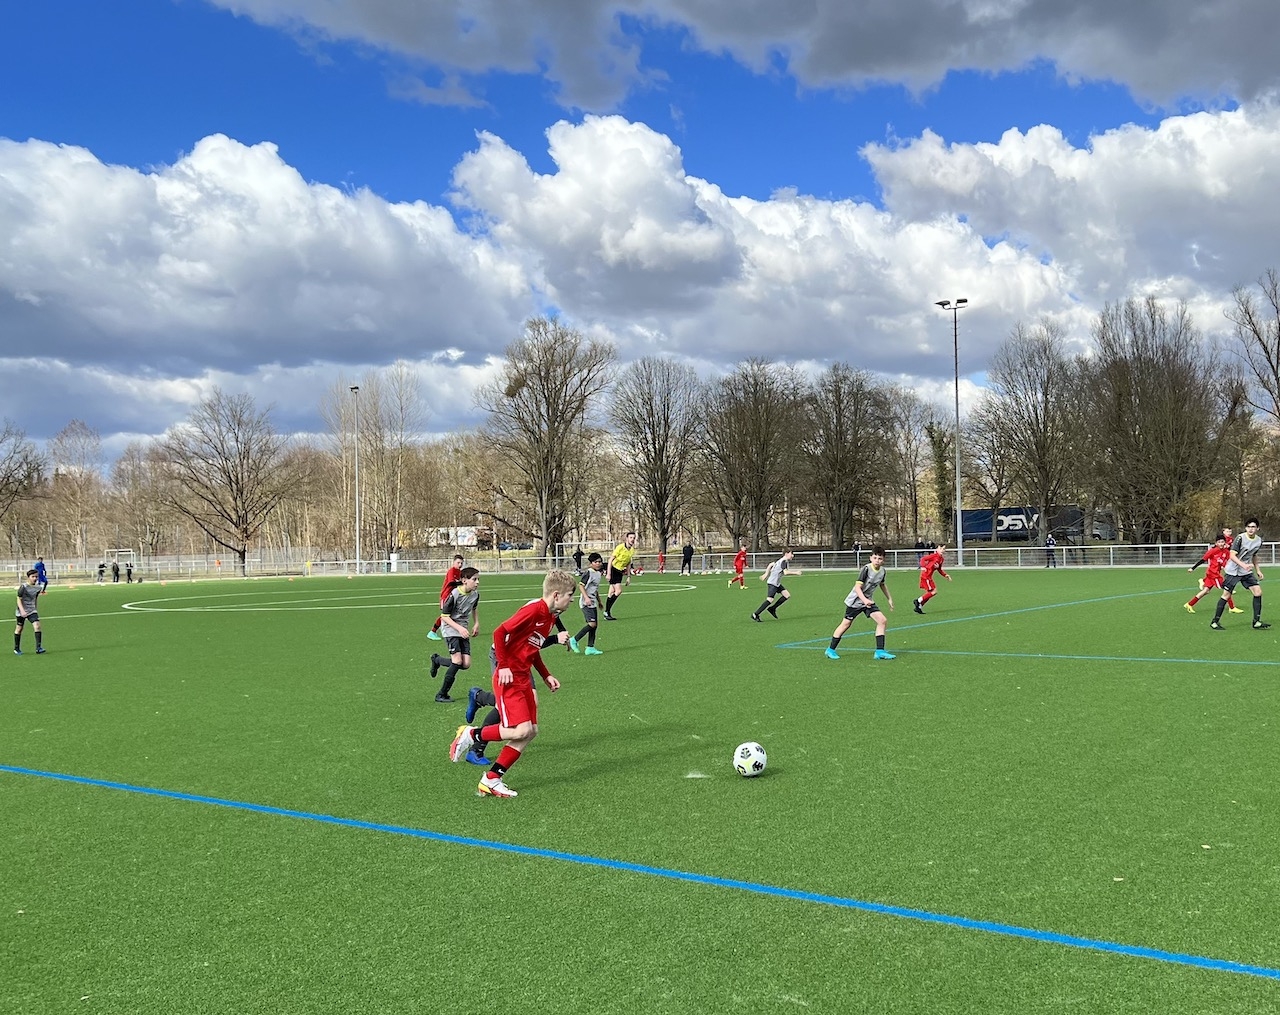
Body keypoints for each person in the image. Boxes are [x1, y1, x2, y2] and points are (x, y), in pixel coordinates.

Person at [448, 569, 577, 799]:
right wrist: (505, 665)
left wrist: (546, 675)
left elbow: (532, 649)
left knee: (531, 732)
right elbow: (500, 632)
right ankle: (472, 734)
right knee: (522, 730)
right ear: (556, 595)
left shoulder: (550, 616)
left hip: (523, 675)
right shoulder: (534, 610)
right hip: (509, 677)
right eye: (570, 595)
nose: (572, 600)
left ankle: (491, 779)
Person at [826, 547, 895, 661]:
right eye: (875, 558)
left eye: (880, 558)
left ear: (883, 560)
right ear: (871, 558)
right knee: (846, 624)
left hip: (868, 601)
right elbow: (857, 587)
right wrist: (864, 600)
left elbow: (882, 584)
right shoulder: (866, 569)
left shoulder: (882, 571)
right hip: (856, 601)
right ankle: (830, 650)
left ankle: (880, 651)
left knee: (882, 621)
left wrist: (889, 599)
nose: (877, 560)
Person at [430, 567, 481, 703]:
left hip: (462, 629)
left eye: (478, 579)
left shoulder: (475, 595)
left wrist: (476, 623)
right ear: (464, 580)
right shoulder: (454, 595)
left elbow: (474, 608)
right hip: (450, 628)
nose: (477, 582)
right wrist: (459, 628)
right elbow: (444, 616)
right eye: (474, 579)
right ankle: (441, 694)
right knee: (457, 661)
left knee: (465, 664)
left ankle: (437, 660)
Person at [1210, 518, 1270, 630]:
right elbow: (1232, 555)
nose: (1250, 529)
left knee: (1258, 592)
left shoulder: (1259, 541)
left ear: (1257, 528)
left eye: (1253, 527)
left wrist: (1258, 570)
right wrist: (1243, 565)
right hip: (1233, 570)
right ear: (1246, 528)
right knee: (1226, 595)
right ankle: (1215, 622)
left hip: (1245, 571)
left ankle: (1256, 622)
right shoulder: (1240, 538)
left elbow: (1254, 555)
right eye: (1248, 527)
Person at [1186, 534, 1241, 614]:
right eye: (1219, 542)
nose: (1221, 544)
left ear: (1225, 543)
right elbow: (1203, 560)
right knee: (1227, 589)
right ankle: (1232, 607)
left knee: (1205, 591)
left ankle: (1189, 604)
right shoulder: (1213, 551)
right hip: (1213, 574)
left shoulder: (1226, 552)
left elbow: (1230, 561)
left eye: (1222, 542)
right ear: (1216, 543)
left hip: (1215, 574)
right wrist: (1193, 568)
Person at [568, 553, 606, 656]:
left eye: (599, 562)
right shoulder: (588, 573)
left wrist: (599, 601)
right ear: (591, 563)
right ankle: (574, 640)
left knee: (594, 626)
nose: (598, 563)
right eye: (595, 562)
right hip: (586, 603)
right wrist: (586, 598)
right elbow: (581, 585)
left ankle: (590, 648)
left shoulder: (598, 574)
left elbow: (595, 589)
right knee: (592, 624)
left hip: (593, 602)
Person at [751, 549, 800, 621]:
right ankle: (755, 614)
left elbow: (771, 564)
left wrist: (766, 574)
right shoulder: (783, 561)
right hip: (772, 583)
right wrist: (796, 573)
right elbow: (786, 572)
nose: (793, 555)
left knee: (787, 595)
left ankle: (772, 609)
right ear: (786, 554)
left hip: (776, 583)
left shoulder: (780, 560)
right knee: (770, 600)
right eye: (791, 554)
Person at [427, 555, 465, 640]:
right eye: (458, 562)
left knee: (452, 614)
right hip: (446, 595)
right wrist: (463, 583)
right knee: (445, 615)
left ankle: (452, 630)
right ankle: (432, 632)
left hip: (453, 596)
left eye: (461, 563)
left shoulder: (460, 572)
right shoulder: (452, 571)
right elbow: (451, 583)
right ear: (453, 562)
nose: (460, 565)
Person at [604, 532, 637, 620]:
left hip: (620, 571)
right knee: (618, 591)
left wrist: (629, 576)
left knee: (611, 592)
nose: (632, 539)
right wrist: (608, 573)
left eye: (634, 538)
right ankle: (607, 611)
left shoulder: (632, 550)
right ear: (627, 538)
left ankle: (607, 613)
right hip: (613, 569)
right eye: (631, 537)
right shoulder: (620, 547)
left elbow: (628, 563)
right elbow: (610, 560)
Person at [912, 543, 952, 614]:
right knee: (934, 591)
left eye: (944, 549)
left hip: (929, 577)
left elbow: (939, 569)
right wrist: (923, 566)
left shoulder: (941, 559)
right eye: (941, 548)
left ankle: (919, 607)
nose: (943, 550)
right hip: (925, 575)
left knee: (930, 593)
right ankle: (918, 601)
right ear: (937, 549)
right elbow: (923, 559)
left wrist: (945, 575)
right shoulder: (934, 556)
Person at [14, 569, 46, 655]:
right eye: (33, 576)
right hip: (21, 611)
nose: (35, 578)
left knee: (37, 626)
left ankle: (38, 648)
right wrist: (22, 611)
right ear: (28, 577)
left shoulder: (38, 588)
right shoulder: (23, 587)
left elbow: (35, 598)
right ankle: (16, 648)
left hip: (31, 610)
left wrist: (35, 608)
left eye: (36, 576)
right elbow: (18, 599)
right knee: (19, 629)